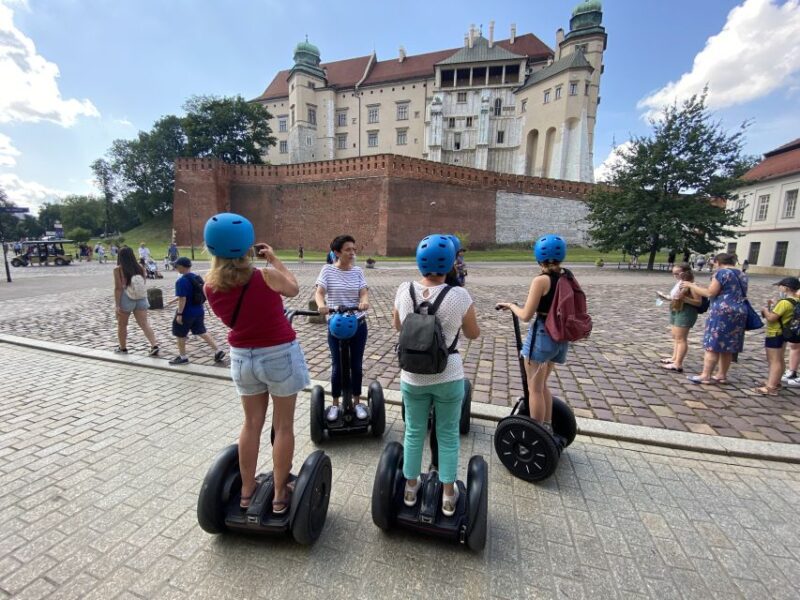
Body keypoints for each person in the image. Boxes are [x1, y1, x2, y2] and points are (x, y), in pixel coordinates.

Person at [203, 212, 309, 513]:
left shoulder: (208, 286)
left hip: (242, 358)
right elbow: (293, 287)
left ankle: (247, 492)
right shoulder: (264, 276)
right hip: (278, 354)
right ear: (248, 245)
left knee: (251, 424)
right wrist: (274, 259)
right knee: (283, 425)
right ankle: (278, 494)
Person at [393, 234, 479, 516]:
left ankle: (410, 487)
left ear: (419, 261)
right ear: (451, 263)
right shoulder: (459, 295)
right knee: (448, 435)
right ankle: (448, 495)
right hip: (448, 376)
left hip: (412, 377)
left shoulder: (404, 290)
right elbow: (472, 334)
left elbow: (398, 327)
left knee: (414, 432)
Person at [496, 234, 571, 432]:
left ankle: (537, 433)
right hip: (560, 338)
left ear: (539, 257)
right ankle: (547, 428)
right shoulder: (566, 277)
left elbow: (526, 315)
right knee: (543, 385)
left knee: (534, 389)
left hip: (542, 337)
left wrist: (511, 305)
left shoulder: (541, 281)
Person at [314, 235, 370, 422]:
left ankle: (357, 402)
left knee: (356, 365)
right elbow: (319, 292)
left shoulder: (358, 272)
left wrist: (363, 302)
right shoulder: (327, 270)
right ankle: (335, 404)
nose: (352, 253)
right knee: (337, 365)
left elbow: (363, 292)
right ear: (337, 252)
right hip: (336, 325)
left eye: (354, 249)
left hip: (358, 323)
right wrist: (321, 305)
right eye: (348, 250)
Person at [680, 253, 746, 384]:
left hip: (722, 312)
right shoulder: (742, 274)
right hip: (739, 311)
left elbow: (710, 293)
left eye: (714, 263)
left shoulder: (721, 273)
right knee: (728, 346)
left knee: (713, 344)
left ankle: (705, 375)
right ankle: (722, 374)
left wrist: (691, 285)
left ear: (717, 262)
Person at [167, 257, 225, 365]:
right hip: (198, 310)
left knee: (180, 334)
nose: (175, 268)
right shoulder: (197, 278)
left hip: (186, 313)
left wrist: (179, 314)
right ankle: (218, 350)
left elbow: (183, 298)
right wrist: (173, 300)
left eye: (176, 266)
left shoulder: (181, 281)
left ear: (181, 267)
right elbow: (192, 293)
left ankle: (183, 357)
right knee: (201, 331)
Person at [113, 246, 160, 355]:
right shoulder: (140, 268)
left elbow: (118, 288)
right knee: (144, 324)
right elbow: (142, 283)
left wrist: (117, 305)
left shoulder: (118, 270)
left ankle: (123, 348)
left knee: (122, 325)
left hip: (126, 298)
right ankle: (154, 345)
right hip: (141, 298)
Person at [757, 277, 800, 395]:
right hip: (785, 333)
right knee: (780, 359)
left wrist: (765, 310)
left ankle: (771, 387)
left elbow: (771, 318)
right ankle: (776, 381)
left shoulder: (784, 302)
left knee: (774, 360)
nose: (778, 288)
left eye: (780, 286)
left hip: (775, 333)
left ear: (786, 288)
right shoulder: (796, 301)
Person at [659, 263, 702, 373]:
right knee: (675, 337)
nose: (674, 275)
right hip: (676, 309)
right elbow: (675, 296)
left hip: (686, 312)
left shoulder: (692, 284)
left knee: (681, 338)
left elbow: (698, 302)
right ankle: (674, 358)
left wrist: (684, 299)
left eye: (676, 273)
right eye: (673, 273)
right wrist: (667, 297)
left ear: (684, 273)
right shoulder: (680, 283)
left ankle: (678, 363)